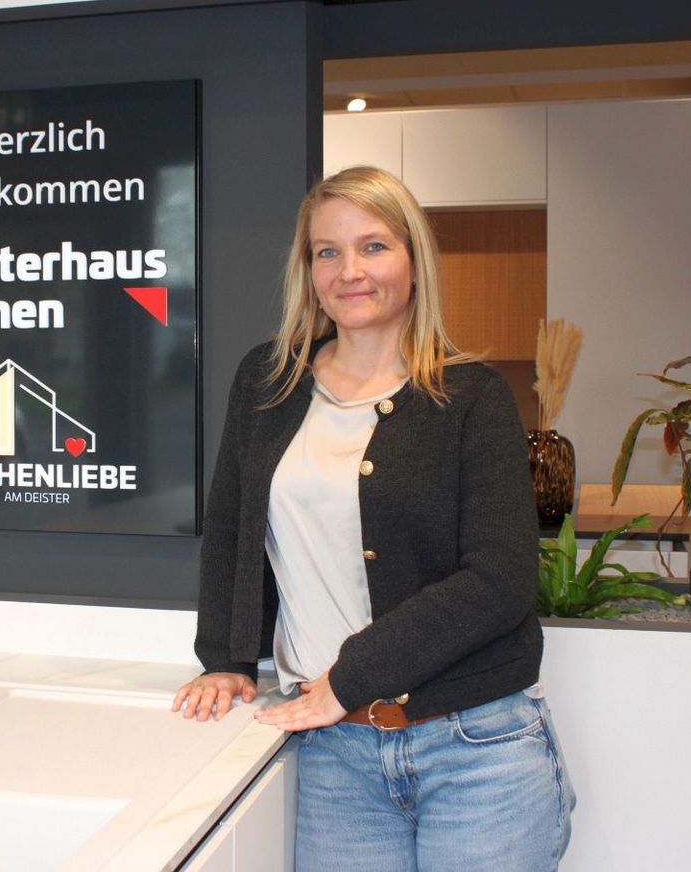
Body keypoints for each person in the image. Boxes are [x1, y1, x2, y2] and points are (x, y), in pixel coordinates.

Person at [172, 166, 575, 870]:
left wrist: (350, 677)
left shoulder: (471, 396)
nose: (349, 271)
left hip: (476, 748)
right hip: (336, 754)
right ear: (308, 271)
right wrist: (225, 660)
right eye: (327, 251)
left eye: (374, 247)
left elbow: (501, 579)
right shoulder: (268, 380)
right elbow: (234, 526)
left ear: (414, 262)